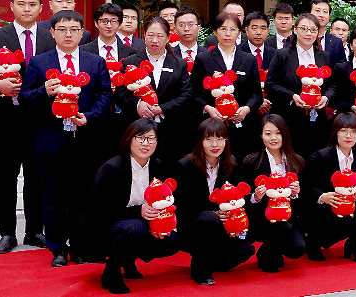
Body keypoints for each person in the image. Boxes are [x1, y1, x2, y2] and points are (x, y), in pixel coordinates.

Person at [20, 9, 112, 265]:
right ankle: (58, 248)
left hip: (85, 139)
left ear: (82, 33)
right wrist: (43, 90)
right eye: (62, 30)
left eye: (74, 30)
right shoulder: (39, 62)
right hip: (51, 140)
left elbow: (105, 96)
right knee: (53, 197)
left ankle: (80, 246)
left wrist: (89, 116)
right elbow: (25, 98)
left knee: (84, 195)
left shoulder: (95, 62)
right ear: (52, 33)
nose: (68, 34)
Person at [0, 0, 55, 253]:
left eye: (32, 4)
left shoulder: (49, 37)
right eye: (21, 4)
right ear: (11, 6)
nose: (27, 9)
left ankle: (34, 231)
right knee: (5, 179)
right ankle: (7, 233)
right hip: (6, 120)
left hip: (40, 120)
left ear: (41, 8)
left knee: (36, 179)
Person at [92, 119, 181, 294]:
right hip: (107, 225)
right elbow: (100, 211)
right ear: (129, 139)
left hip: (142, 221)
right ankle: (112, 270)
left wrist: (160, 224)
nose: (145, 143)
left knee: (172, 239)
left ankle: (128, 260)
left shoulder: (157, 165)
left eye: (151, 138)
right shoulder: (113, 167)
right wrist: (138, 211)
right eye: (140, 137)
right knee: (136, 228)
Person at [173, 120, 255, 285]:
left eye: (219, 139)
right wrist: (213, 213)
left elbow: (236, 198)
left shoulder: (231, 163)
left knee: (246, 249)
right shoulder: (185, 166)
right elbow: (181, 207)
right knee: (208, 219)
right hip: (193, 224)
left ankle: (209, 260)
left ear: (226, 141)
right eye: (209, 139)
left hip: (222, 225)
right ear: (200, 141)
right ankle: (200, 271)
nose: (215, 144)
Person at [117, 17, 195, 160]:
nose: (154, 40)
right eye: (150, 35)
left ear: (168, 38)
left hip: (170, 127)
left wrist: (162, 108)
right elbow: (120, 93)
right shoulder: (131, 62)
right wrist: (138, 104)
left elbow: (186, 95)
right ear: (144, 35)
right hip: (138, 127)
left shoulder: (179, 64)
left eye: (160, 36)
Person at [240, 114, 307, 272]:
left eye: (278, 133)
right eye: (268, 133)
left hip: (288, 217)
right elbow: (244, 197)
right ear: (261, 136)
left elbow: (305, 198)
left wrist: (295, 193)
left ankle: (269, 250)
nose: (273, 138)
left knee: (297, 249)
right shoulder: (251, 162)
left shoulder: (297, 161)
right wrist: (256, 197)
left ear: (285, 134)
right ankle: (269, 253)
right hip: (262, 218)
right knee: (280, 235)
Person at [191, 12, 261, 157]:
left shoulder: (249, 59)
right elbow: (194, 92)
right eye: (223, 29)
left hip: (242, 124)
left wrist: (246, 109)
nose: (228, 33)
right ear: (215, 31)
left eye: (233, 29)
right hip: (212, 126)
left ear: (239, 33)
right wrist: (208, 108)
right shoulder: (203, 58)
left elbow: (256, 94)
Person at [305, 113, 356, 262]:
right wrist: (323, 197)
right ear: (335, 132)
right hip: (326, 203)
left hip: (348, 203)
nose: (349, 136)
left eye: (353, 131)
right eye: (343, 130)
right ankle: (313, 242)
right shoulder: (321, 156)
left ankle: (353, 243)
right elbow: (308, 185)